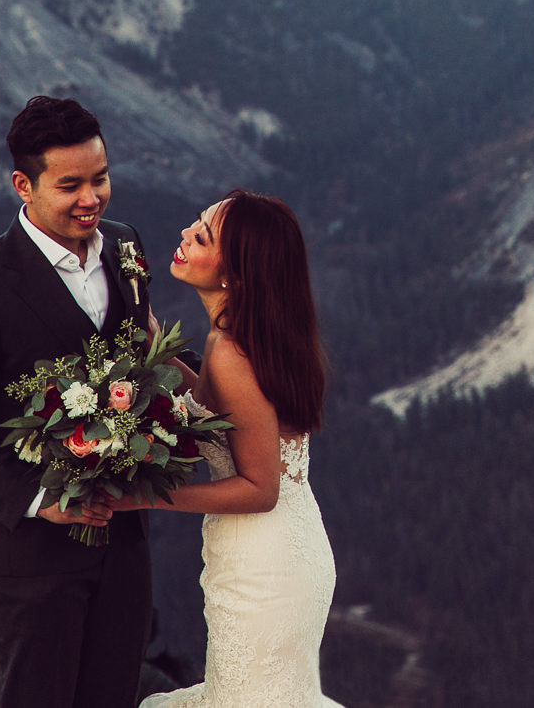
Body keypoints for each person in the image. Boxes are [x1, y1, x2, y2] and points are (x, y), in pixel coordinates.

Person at [0, 95, 155, 708]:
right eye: (70, 185)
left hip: (122, 542)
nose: (92, 198)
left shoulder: (127, 246)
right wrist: (42, 497)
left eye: (100, 178)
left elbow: (139, 362)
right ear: (23, 184)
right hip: (25, 558)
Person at [124, 188, 342, 708]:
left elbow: (259, 489)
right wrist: (157, 350)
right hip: (286, 547)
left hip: (265, 560)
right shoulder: (249, 336)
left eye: (201, 237)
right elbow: (215, 413)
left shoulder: (234, 350)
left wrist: (140, 497)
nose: (183, 236)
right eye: (196, 223)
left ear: (235, 276)